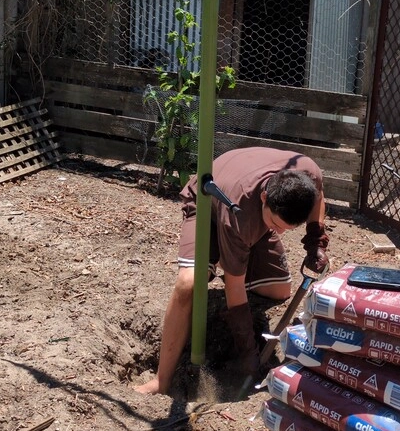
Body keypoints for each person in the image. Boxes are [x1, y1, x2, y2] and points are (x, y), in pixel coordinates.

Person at [134, 147, 329, 396]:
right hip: (207, 206)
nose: (279, 233)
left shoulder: (308, 172)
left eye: (286, 228)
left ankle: (242, 253)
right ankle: (161, 380)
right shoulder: (240, 216)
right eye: (276, 225)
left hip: (249, 214)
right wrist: (248, 353)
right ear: (264, 197)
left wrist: (316, 242)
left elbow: (317, 198)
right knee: (189, 284)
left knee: (278, 290)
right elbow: (234, 287)